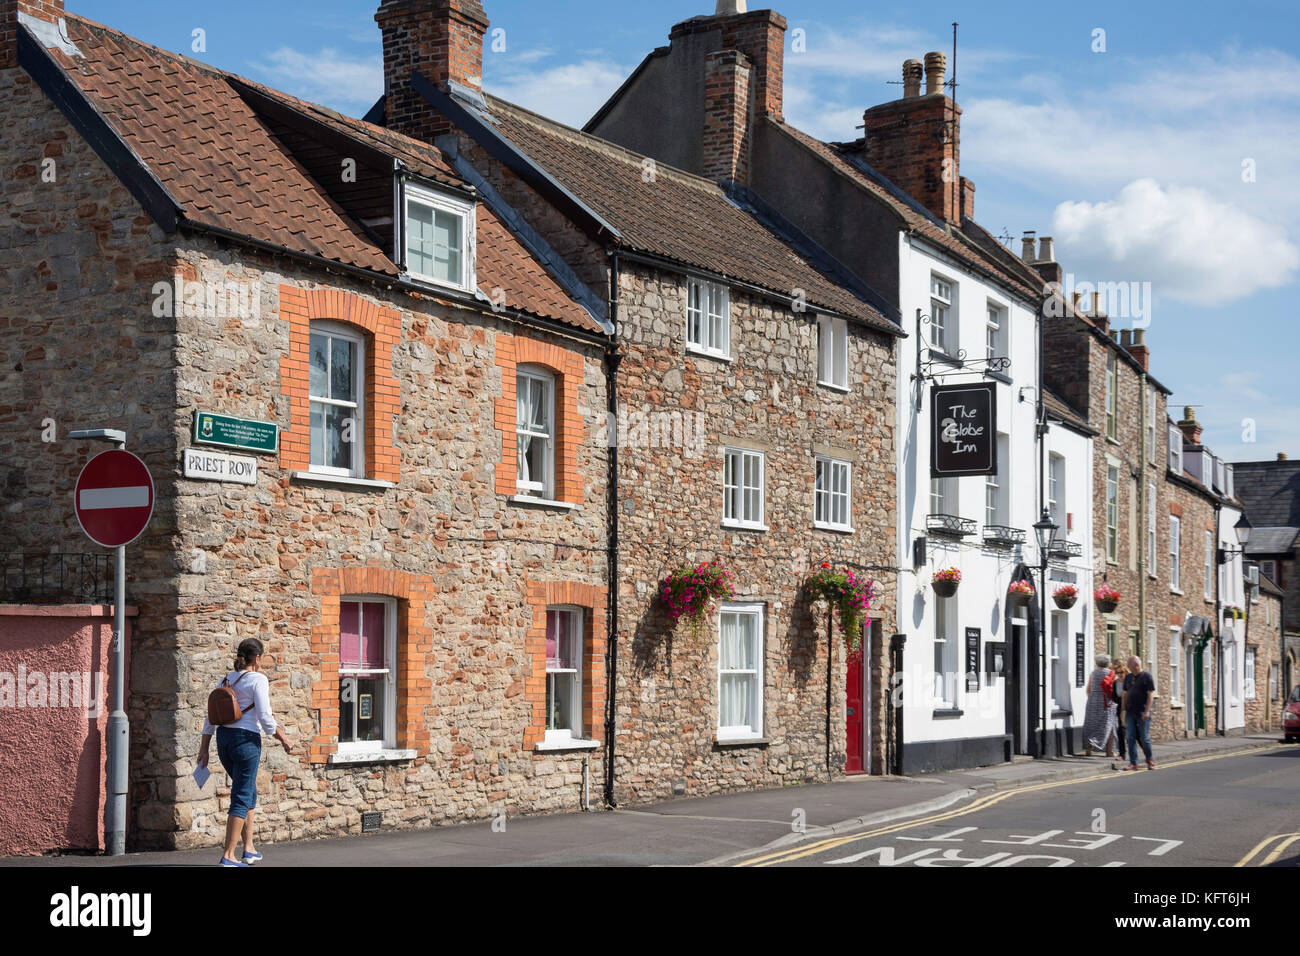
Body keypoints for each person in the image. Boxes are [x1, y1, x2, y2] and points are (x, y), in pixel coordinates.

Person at [197, 638, 293, 866]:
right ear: (257, 658)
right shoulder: (258, 679)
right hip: (246, 742)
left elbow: (210, 716)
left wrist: (204, 749)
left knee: (247, 791)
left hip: (223, 741)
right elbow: (265, 717)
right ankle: (229, 855)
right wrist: (283, 738)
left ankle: (248, 849)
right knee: (241, 795)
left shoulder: (226, 679)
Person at [1120, 655, 1156, 771]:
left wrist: (1147, 711)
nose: (1128, 668)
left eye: (1129, 665)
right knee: (1130, 737)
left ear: (1136, 665)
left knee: (1144, 738)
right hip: (1130, 712)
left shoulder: (1146, 677)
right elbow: (1124, 694)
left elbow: (1150, 695)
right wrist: (1123, 710)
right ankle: (1133, 763)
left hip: (1142, 712)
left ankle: (1150, 760)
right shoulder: (1128, 677)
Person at [1083, 654, 1118, 757]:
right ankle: (1109, 751)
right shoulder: (1111, 673)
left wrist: (1092, 699)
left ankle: (1090, 743)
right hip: (1107, 703)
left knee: (1092, 725)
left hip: (1092, 701)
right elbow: (1114, 689)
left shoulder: (1093, 674)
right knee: (1109, 726)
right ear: (1108, 663)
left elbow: (1088, 690)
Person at [1112, 658, 1129, 762]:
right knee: (1121, 731)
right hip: (1120, 709)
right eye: (1117, 673)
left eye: (1121, 672)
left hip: (1130, 708)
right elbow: (1114, 696)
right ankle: (1122, 754)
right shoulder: (1115, 683)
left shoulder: (1130, 681)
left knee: (1133, 733)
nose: (1119, 674)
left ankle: (1147, 753)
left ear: (1125, 671)